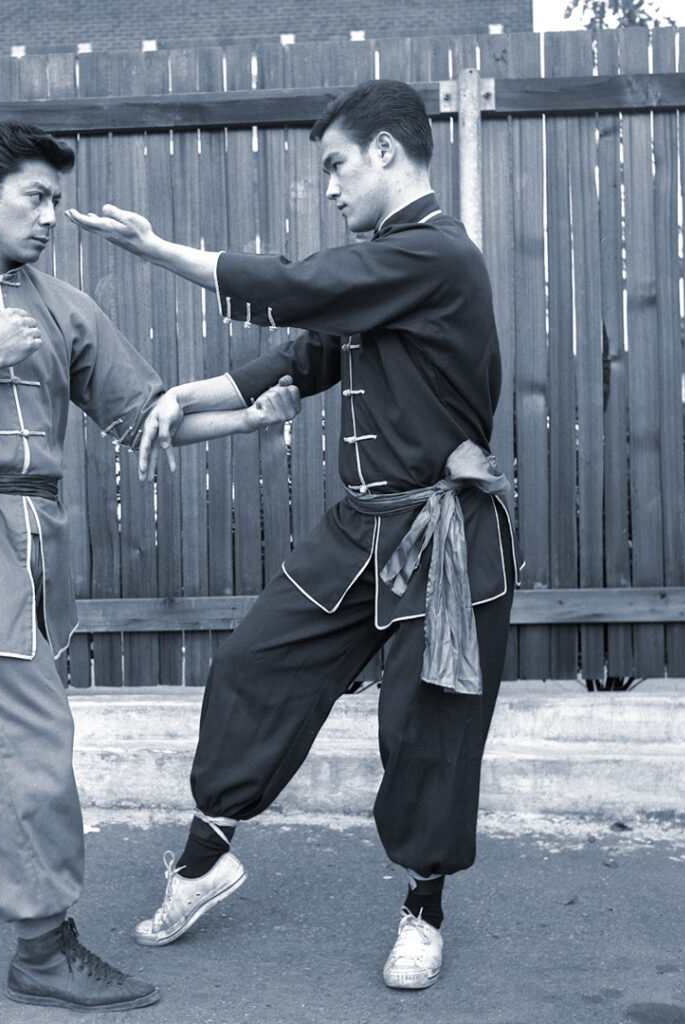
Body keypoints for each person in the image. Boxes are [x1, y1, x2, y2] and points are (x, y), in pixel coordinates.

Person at [67, 78, 520, 991]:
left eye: (337, 165)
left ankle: (424, 910)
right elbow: (293, 357)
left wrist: (158, 251)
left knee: (427, 731)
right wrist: (171, 400)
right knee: (253, 666)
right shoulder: (383, 274)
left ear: (387, 152)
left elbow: (296, 287)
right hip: (361, 530)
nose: (330, 187)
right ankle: (205, 861)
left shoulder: (435, 255)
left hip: (443, 536)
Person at [0, 120, 300, 1013]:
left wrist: (248, 419)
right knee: (31, 743)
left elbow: (145, 414)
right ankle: (42, 948)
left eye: (57, 198)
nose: (51, 214)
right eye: (34, 196)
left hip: (42, 551)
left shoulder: (66, 305)